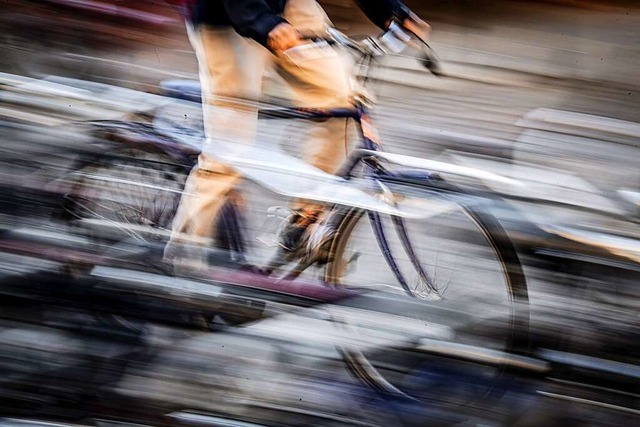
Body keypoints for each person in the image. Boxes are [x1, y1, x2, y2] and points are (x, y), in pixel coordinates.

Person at [165, 0, 430, 270]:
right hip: (228, 17)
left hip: (287, 5)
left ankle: (305, 221)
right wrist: (262, 22)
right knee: (231, 149)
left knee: (345, 102)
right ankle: (181, 260)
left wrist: (389, 11)